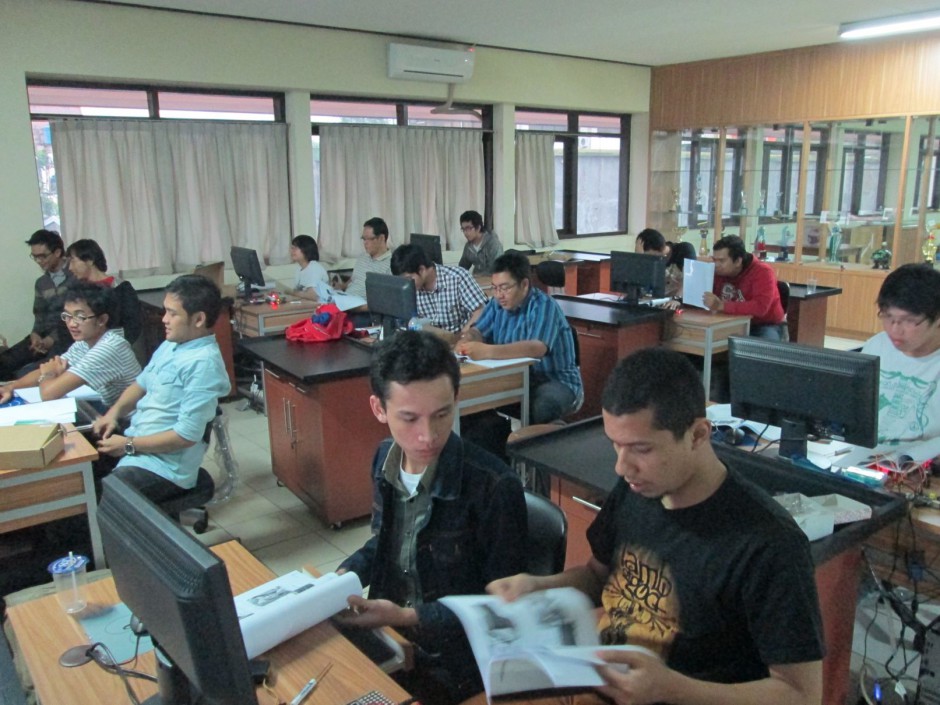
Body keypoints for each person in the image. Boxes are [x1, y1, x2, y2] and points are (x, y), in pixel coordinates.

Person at [488, 347, 825, 705]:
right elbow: (598, 576)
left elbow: (801, 694)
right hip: (599, 684)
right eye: (616, 445)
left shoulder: (769, 543)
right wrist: (539, 587)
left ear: (698, 435)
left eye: (641, 449)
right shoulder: (639, 488)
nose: (622, 467)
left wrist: (670, 688)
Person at [334, 330, 527, 705]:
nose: (428, 436)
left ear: (456, 398)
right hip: (393, 638)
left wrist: (407, 617)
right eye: (409, 418)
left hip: (455, 662)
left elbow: (500, 608)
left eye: (441, 414)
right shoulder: (385, 458)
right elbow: (387, 542)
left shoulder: (494, 487)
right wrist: (343, 576)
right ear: (379, 408)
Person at [92, 275, 230, 502]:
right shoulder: (171, 344)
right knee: (79, 471)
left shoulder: (203, 364)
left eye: (172, 314)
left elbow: (185, 436)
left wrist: (128, 445)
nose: (164, 319)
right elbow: (140, 384)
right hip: (138, 444)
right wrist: (112, 414)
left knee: (102, 497)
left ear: (198, 319)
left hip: (164, 468)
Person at [456, 250, 583, 423]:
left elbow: (536, 348)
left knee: (543, 406)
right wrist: (468, 339)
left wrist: (488, 351)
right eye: (494, 288)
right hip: (515, 378)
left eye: (505, 288)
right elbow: (478, 330)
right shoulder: (496, 304)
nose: (498, 295)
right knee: (472, 400)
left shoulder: (543, 305)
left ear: (524, 284)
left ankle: (551, 436)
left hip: (553, 380)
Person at [0, 284, 140, 410]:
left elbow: (48, 394)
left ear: (102, 320)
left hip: (126, 423)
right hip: (104, 411)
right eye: (67, 316)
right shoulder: (85, 342)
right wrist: (10, 387)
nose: (72, 324)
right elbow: (53, 367)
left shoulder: (109, 348)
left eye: (80, 317)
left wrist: (48, 374)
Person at [861, 263, 940, 463]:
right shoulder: (877, 346)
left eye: (909, 321)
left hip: (918, 466)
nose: (895, 330)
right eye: (888, 316)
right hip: (864, 457)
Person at [0, 230, 76, 380]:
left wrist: (51, 339)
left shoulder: (75, 276)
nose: (39, 261)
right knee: (4, 363)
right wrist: (35, 334)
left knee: (25, 373)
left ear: (57, 252)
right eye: (35, 257)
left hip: (66, 338)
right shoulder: (42, 283)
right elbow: (39, 314)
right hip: (42, 337)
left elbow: (76, 317)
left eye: (43, 256)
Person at [390, 243, 487, 333]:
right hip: (429, 341)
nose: (406, 284)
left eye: (408, 279)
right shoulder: (408, 289)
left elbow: (480, 311)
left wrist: (462, 337)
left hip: (458, 338)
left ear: (422, 270)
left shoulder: (457, 278)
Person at [704, 234, 786, 339]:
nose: (716, 265)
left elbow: (760, 307)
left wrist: (722, 306)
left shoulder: (763, 272)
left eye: (722, 261)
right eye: (714, 260)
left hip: (764, 324)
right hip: (728, 322)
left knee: (763, 345)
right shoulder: (717, 272)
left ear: (738, 261)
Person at [66, 238, 142, 343]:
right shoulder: (78, 291)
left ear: (90, 260)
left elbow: (133, 325)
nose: (70, 267)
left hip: (115, 345)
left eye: (73, 261)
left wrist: (113, 346)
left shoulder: (121, 288)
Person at [333, 217, 393, 300]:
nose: (365, 243)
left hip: (363, 306)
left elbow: (386, 299)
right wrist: (341, 287)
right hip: (346, 299)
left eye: (369, 239)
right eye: (364, 239)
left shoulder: (391, 264)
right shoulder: (362, 257)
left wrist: (359, 306)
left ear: (381, 238)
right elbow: (354, 279)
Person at [457, 210, 503, 275]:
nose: (465, 232)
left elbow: (497, 269)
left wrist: (477, 276)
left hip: (492, 279)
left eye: (468, 228)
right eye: (463, 229)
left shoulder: (493, 243)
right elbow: (462, 268)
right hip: (477, 279)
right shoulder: (468, 247)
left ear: (478, 228)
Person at [288, 234, 330, 301]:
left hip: (319, 305)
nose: (292, 251)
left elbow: (313, 296)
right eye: (292, 248)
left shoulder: (314, 267)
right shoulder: (299, 268)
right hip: (306, 304)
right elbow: (298, 292)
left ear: (306, 249)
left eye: (295, 248)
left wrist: (289, 292)